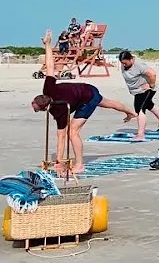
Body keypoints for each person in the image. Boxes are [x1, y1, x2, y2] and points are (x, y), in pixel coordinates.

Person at [30, 30, 136, 176]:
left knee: (73, 132)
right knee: (107, 103)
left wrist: (59, 162)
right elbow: (50, 66)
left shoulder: (58, 110)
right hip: (85, 89)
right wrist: (47, 45)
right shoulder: (48, 88)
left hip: (88, 97)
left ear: (44, 108)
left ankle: (80, 165)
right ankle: (130, 112)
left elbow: (62, 137)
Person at [118, 50, 159, 140]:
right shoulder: (125, 63)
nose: (123, 65)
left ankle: (140, 134)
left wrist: (151, 85)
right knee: (148, 104)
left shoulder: (139, 65)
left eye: (125, 63)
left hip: (145, 90)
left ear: (131, 59)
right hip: (137, 91)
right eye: (122, 63)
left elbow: (152, 73)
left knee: (139, 110)